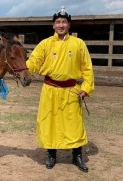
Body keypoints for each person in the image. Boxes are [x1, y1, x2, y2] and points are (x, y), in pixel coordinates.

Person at [26, 6, 94, 172]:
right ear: (53, 25)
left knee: (74, 124)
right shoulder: (45, 44)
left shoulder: (78, 44)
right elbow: (33, 61)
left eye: (64, 22)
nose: (61, 25)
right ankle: (51, 154)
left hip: (71, 90)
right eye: (58, 22)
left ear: (69, 25)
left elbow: (87, 68)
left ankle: (77, 155)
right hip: (50, 90)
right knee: (51, 123)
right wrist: (23, 70)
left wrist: (86, 87)